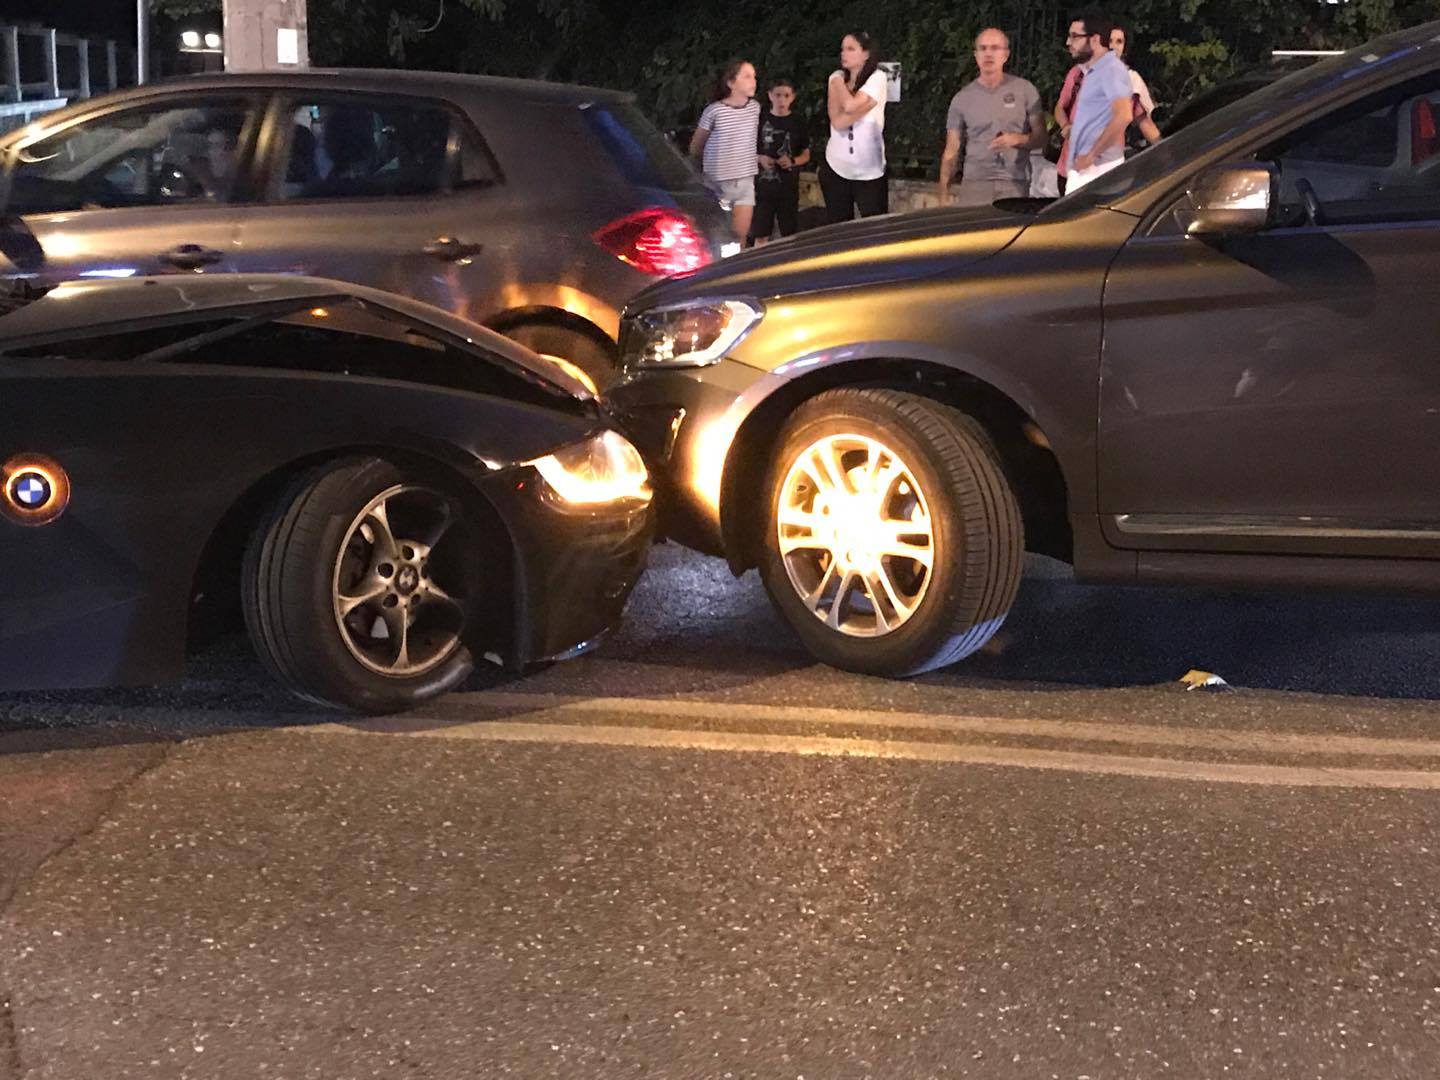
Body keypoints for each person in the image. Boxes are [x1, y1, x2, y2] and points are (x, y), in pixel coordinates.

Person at [938, 28, 1045, 207]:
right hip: (975, 183)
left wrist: (1017, 139)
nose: (988, 54)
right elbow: (952, 149)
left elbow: (1041, 137)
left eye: (995, 48)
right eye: (983, 48)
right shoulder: (962, 98)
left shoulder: (1025, 90)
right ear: (976, 55)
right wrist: (943, 193)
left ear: (1006, 55)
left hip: (1015, 183)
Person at [690, 60, 762, 242]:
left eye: (754, 77)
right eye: (747, 77)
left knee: (739, 238)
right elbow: (697, 145)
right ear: (731, 82)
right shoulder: (714, 111)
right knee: (714, 238)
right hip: (717, 183)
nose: (753, 81)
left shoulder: (754, 108)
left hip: (744, 180)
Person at [1062, 12, 1134, 193]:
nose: (1068, 42)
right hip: (1088, 170)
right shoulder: (1093, 71)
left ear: (1094, 40)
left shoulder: (1110, 70)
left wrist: (1091, 155)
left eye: (1075, 36)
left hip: (1099, 170)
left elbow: (1124, 115)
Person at [821, 31, 888, 223]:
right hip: (836, 167)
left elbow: (849, 106)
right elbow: (837, 121)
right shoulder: (837, 79)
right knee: (838, 227)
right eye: (843, 49)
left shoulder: (878, 78)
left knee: (874, 226)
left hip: (869, 170)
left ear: (866, 54)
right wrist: (837, 80)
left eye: (851, 49)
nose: (844, 54)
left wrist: (837, 84)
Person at [751, 77, 811, 245]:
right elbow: (745, 150)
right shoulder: (759, 120)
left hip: (788, 188)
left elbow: (806, 154)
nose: (782, 100)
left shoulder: (798, 122)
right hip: (762, 189)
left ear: (792, 97)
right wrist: (759, 158)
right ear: (770, 95)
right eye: (778, 95)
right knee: (760, 233)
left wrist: (792, 161)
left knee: (789, 234)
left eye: (786, 96)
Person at [1109, 24, 1162, 147]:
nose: (1113, 47)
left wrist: (1164, 150)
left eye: (1119, 42)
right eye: (1109, 41)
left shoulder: (1131, 79)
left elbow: (1143, 121)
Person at [1053, 62, 1084, 195]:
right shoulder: (1078, 73)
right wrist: (1065, 126)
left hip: (1103, 171)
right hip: (1069, 167)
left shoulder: (1126, 78)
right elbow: (1060, 107)